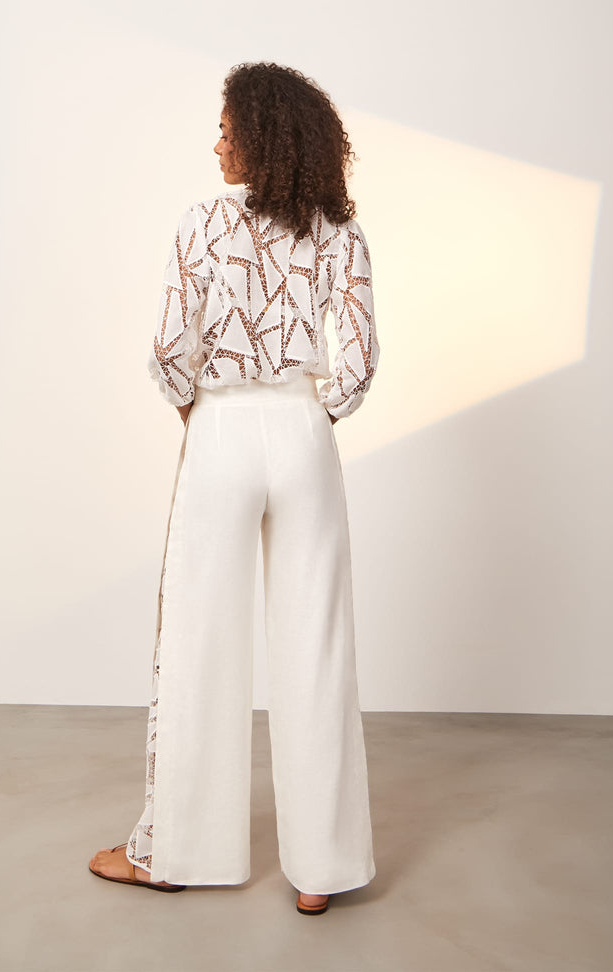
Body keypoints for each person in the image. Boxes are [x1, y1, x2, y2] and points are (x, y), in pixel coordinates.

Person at [89, 61, 379, 917]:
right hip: (302, 434)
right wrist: (310, 417)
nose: (216, 144)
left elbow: (169, 347)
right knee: (316, 643)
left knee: (198, 640)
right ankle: (320, 870)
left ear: (261, 136)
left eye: (226, 130)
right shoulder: (341, 232)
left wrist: (201, 413)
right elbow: (360, 360)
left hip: (220, 432)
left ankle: (176, 854)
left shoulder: (204, 223)